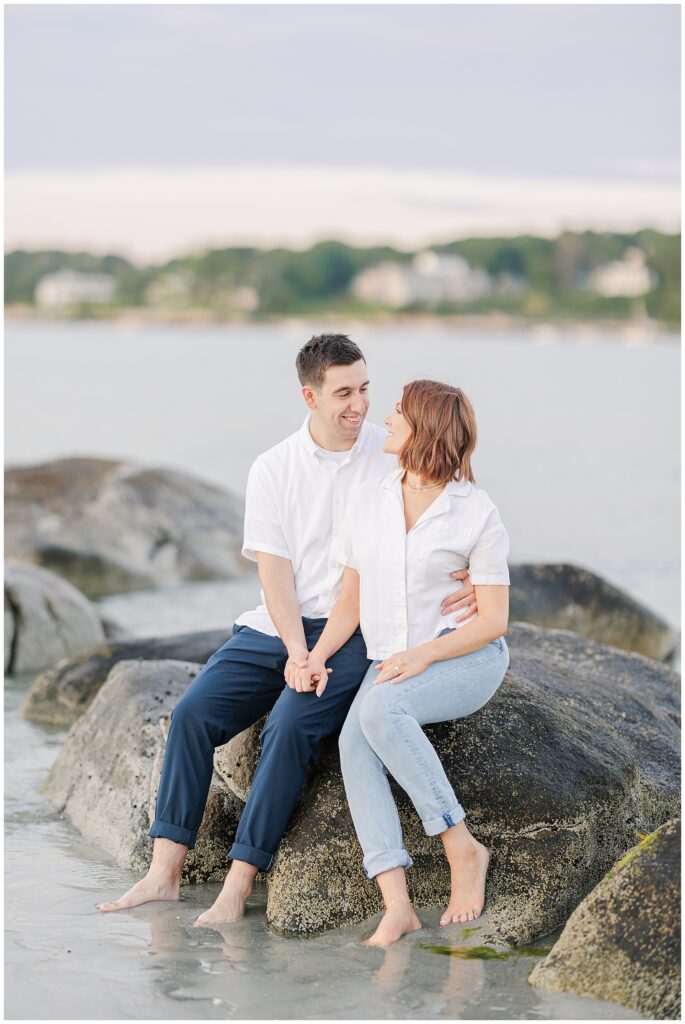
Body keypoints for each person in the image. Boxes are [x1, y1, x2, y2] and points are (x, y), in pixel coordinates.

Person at [97, 336, 478, 926]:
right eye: (344, 393)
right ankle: (164, 872)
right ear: (310, 395)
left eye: (366, 389)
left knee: (290, 724)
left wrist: (476, 576)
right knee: (193, 714)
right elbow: (275, 575)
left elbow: (455, 503)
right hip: (278, 626)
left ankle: (239, 882)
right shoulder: (273, 468)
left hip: (358, 630)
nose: (360, 405)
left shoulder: (392, 451)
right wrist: (297, 651)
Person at [294, 379, 509, 947]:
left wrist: (424, 654)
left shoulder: (475, 510)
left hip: (465, 657)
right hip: (393, 660)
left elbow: (492, 619)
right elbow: (351, 600)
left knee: (381, 713)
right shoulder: (369, 501)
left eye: (398, 412)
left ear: (425, 428)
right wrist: (314, 656)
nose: (385, 419)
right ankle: (398, 905)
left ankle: (461, 846)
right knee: (352, 741)